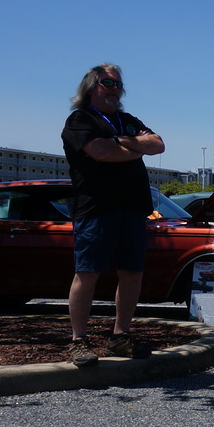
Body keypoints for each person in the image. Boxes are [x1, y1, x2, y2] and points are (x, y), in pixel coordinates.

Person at [61, 63, 165, 368]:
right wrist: (134, 147)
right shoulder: (80, 120)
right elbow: (101, 152)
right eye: (109, 83)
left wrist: (121, 143)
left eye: (119, 84)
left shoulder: (126, 120)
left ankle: (120, 336)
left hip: (133, 209)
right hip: (96, 210)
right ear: (92, 86)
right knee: (88, 273)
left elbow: (157, 144)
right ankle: (78, 341)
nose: (116, 89)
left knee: (132, 273)